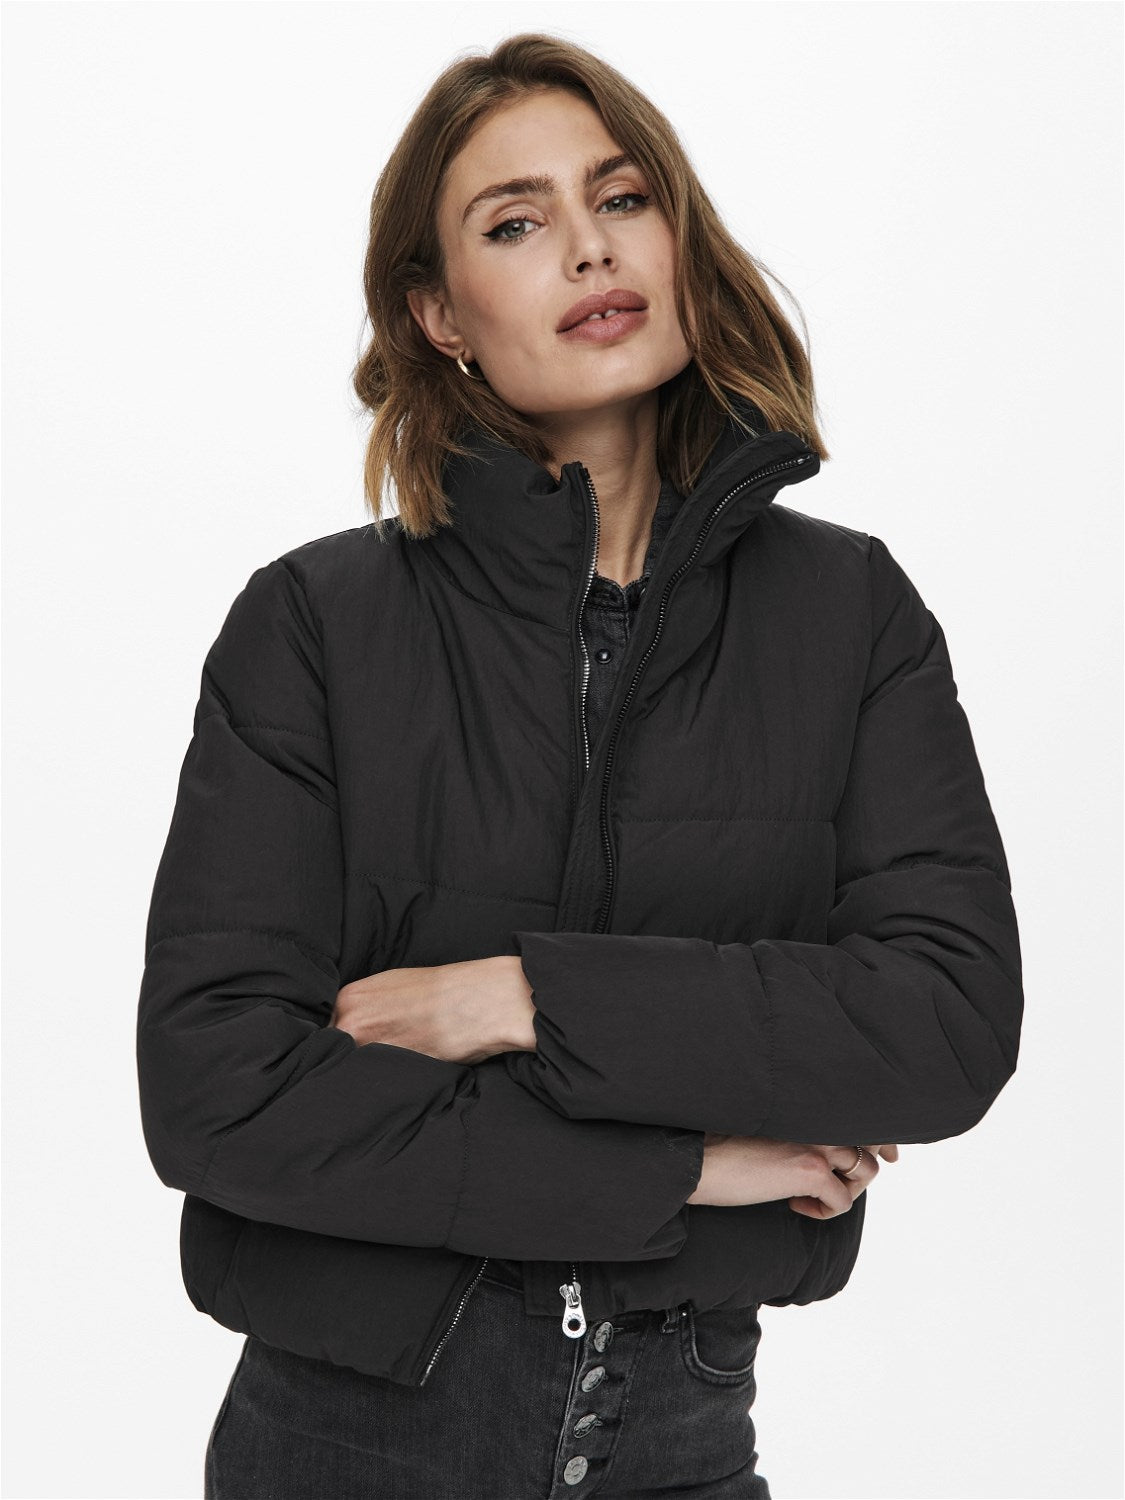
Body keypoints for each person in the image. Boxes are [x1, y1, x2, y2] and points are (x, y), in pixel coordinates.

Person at [135, 31, 1024, 1500]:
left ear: (679, 240)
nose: (589, 247)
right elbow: (218, 1094)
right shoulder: (315, 626)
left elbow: (944, 1022)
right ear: (437, 315)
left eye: (621, 198)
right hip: (347, 1445)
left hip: (678, 1439)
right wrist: (679, 1162)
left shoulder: (850, 614)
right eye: (514, 223)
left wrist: (522, 999)